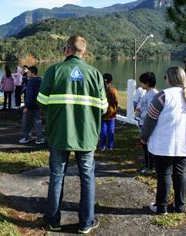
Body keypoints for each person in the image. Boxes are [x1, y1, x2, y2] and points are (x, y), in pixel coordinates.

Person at [38, 35, 107, 234]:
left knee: (57, 175)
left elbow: (42, 102)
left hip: (60, 134)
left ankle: (53, 220)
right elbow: (103, 107)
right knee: (87, 177)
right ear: (83, 52)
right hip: (86, 136)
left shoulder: (54, 71)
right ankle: (86, 223)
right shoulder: (95, 73)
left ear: (66, 49)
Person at [140, 66, 186, 215]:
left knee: (164, 175)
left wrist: (144, 137)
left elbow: (150, 120)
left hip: (163, 144)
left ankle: (161, 207)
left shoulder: (163, 96)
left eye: (165, 77)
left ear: (169, 79)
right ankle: (180, 206)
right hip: (185, 143)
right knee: (181, 173)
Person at [135, 72, 158, 174]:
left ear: (147, 83)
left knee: (147, 145)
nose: (141, 85)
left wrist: (139, 114)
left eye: (142, 83)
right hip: (144, 122)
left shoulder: (151, 95)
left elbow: (150, 111)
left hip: (146, 123)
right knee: (146, 145)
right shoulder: (151, 93)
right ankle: (148, 164)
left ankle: (149, 167)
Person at [18, 66, 45, 145]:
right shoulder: (41, 80)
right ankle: (40, 137)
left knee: (25, 122)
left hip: (30, 105)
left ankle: (27, 137)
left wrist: (26, 106)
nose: (27, 74)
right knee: (37, 121)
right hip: (37, 104)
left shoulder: (31, 81)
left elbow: (29, 94)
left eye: (29, 72)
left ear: (33, 73)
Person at [100, 73, 118, 151]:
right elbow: (116, 101)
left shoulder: (99, 90)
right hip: (111, 113)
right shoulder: (113, 90)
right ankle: (110, 146)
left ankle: (102, 146)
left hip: (102, 113)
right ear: (110, 81)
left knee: (103, 131)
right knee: (111, 131)